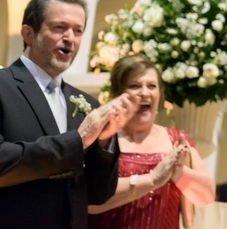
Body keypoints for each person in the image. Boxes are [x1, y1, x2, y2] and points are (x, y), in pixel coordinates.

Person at [0, 0, 136, 229]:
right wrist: (77, 141)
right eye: (59, 27)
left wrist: (103, 143)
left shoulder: (85, 103)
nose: (70, 37)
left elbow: (97, 195)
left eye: (78, 30)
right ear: (28, 33)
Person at [88, 55, 215, 229]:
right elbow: (90, 202)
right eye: (135, 86)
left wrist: (178, 172)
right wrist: (153, 178)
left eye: (152, 86)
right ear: (117, 94)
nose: (145, 92)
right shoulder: (104, 139)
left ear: (160, 95)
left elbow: (207, 196)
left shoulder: (176, 139)